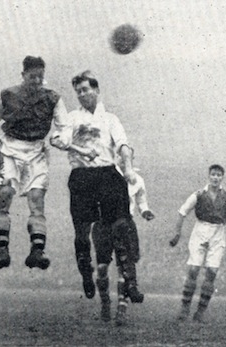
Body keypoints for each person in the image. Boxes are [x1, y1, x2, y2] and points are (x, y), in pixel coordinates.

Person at [50, 70, 144, 324]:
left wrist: (128, 166)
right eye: (78, 91)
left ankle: (131, 283)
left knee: (122, 225)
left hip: (107, 173)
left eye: (85, 89)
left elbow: (123, 144)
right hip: (82, 176)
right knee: (82, 232)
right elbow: (58, 139)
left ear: (96, 90)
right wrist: (69, 144)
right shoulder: (70, 118)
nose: (81, 94)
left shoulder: (110, 118)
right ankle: (85, 272)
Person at [0, 55, 69, 270]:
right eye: (32, 77)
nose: (37, 81)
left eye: (40, 77)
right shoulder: (7, 94)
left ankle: (37, 252)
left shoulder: (53, 98)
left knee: (36, 199)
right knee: (4, 194)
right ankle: (2, 249)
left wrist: (62, 138)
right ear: (23, 75)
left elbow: (64, 125)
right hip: (9, 148)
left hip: (36, 150)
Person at [169, 164, 226, 322]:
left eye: (218, 175)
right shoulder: (199, 194)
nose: (215, 177)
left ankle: (200, 311)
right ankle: (185, 307)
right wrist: (177, 233)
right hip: (201, 230)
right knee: (194, 269)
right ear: (209, 176)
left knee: (212, 272)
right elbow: (182, 212)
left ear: (222, 177)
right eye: (213, 174)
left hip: (218, 232)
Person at [113, 165, 155, 325]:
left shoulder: (137, 180)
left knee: (124, 266)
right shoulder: (107, 176)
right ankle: (112, 301)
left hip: (126, 221)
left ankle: (121, 309)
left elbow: (141, 201)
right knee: (114, 266)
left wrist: (145, 212)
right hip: (108, 222)